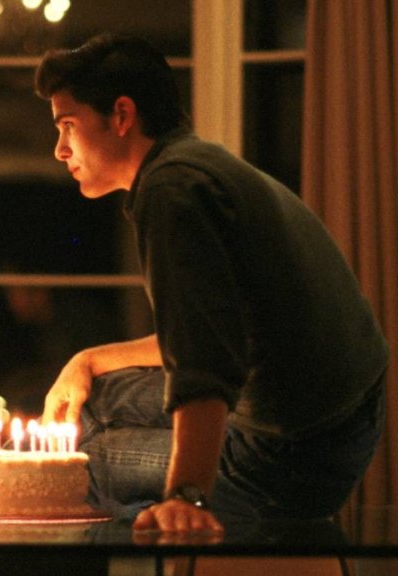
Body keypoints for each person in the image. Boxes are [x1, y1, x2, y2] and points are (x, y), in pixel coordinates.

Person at [33, 33, 388, 533]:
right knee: (92, 401)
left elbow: (204, 363)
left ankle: (234, 523)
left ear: (121, 115)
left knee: (80, 466)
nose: (59, 150)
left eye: (68, 126)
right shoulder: (194, 163)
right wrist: (88, 360)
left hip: (292, 453)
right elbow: (218, 329)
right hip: (341, 416)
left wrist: (185, 497)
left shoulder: (172, 193)